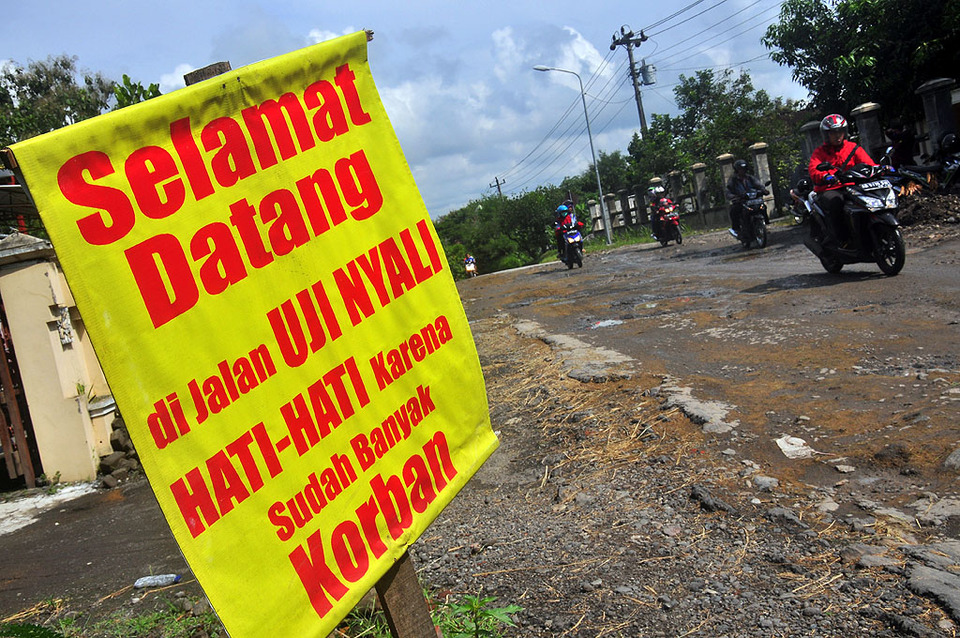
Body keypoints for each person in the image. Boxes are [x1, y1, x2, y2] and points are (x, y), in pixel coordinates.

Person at [809, 114, 875, 246]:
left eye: (840, 131)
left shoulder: (853, 148)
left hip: (854, 186)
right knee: (836, 202)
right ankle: (842, 239)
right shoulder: (820, 152)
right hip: (831, 189)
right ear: (826, 135)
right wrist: (825, 176)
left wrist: (881, 169)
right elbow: (814, 170)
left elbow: (869, 164)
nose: (837, 135)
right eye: (833, 132)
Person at [725, 159, 767, 238]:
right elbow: (728, 191)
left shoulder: (750, 178)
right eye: (740, 169)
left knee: (763, 207)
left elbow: (758, 185)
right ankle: (736, 230)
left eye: (744, 169)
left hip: (752, 200)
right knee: (734, 211)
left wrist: (763, 190)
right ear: (737, 170)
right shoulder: (733, 180)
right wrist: (733, 196)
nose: (742, 171)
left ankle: (765, 224)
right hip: (741, 201)